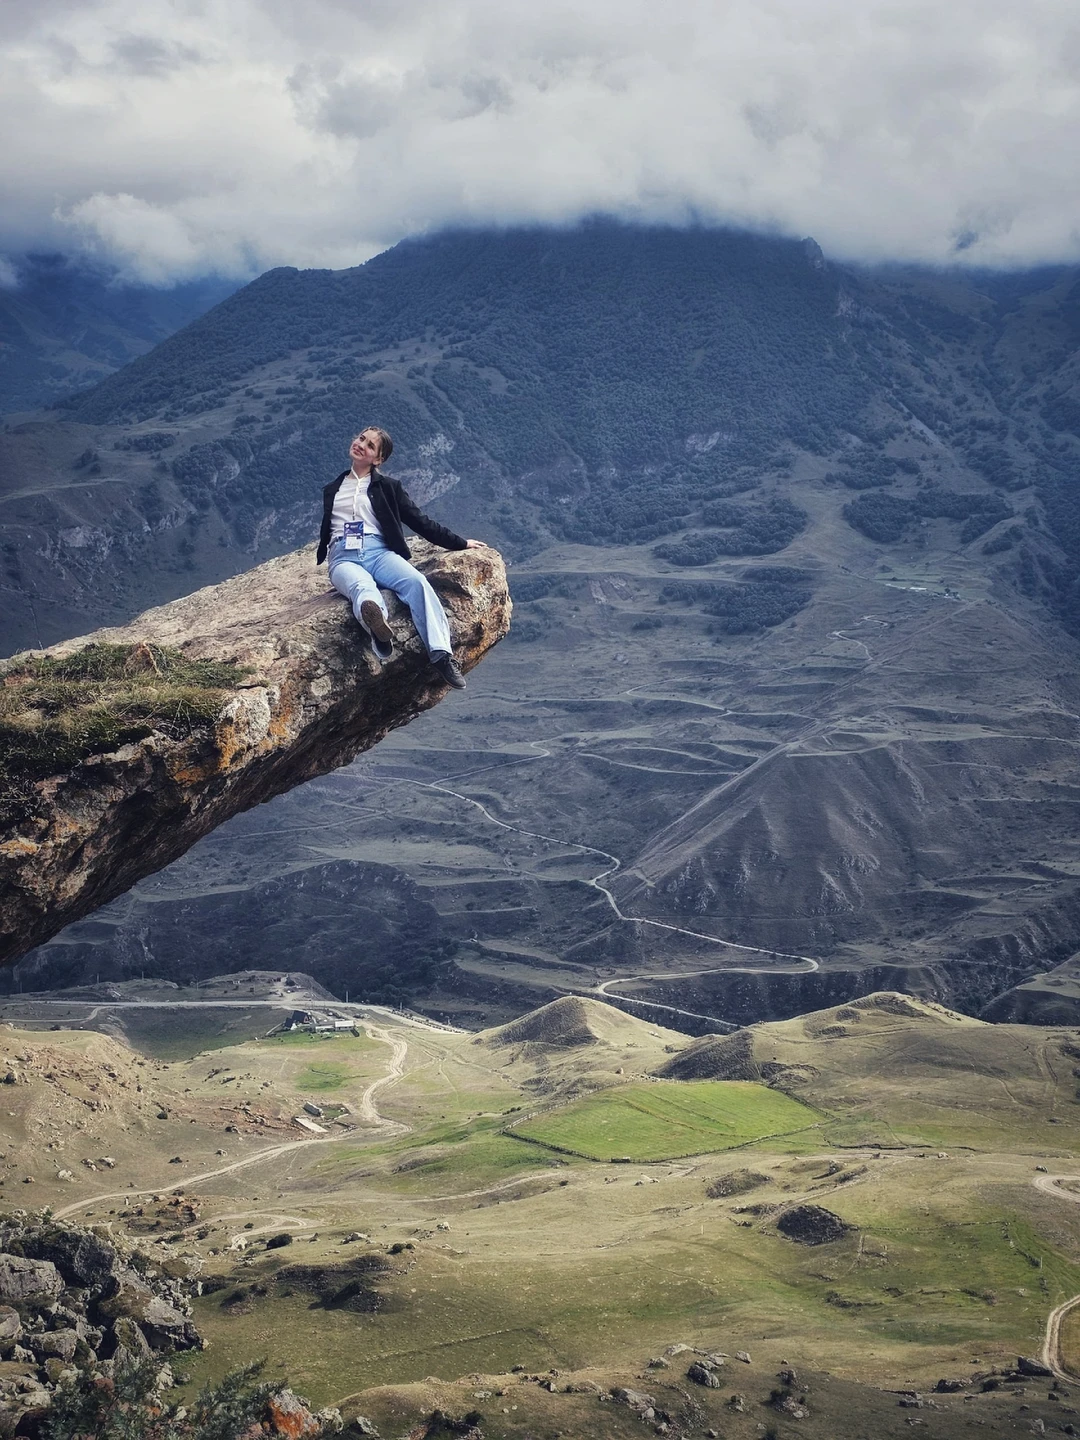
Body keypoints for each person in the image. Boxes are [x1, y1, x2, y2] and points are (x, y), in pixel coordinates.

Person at [316, 426, 485, 690]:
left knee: (416, 581)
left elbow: (419, 521)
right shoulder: (333, 489)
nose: (361, 445)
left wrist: (460, 543)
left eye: (370, 446)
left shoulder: (388, 488)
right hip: (343, 558)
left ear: (378, 459)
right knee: (361, 587)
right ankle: (378, 627)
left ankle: (442, 655)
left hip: (379, 552)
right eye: (361, 438)